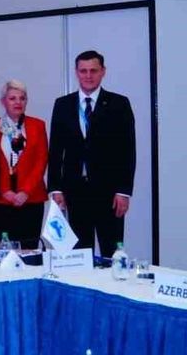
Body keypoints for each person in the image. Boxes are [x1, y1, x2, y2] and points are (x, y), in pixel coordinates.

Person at [48, 50, 136, 253]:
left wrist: (124, 191)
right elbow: (55, 150)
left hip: (110, 193)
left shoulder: (119, 104)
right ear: (76, 72)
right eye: (83, 71)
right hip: (75, 192)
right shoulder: (62, 105)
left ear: (103, 71)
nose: (88, 76)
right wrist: (55, 188)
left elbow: (128, 151)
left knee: (111, 253)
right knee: (79, 255)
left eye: (93, 71)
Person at [0, 79, 48, 248]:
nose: (18, 102)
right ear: (3, 101)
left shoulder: (37, 125)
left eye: (22, 98)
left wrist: (25, 191)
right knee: (5, 252)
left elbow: (41, 161)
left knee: (30, 252)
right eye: (12, 98)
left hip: (31, 199)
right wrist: (4, 190)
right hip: (2, 201)